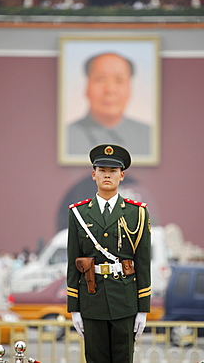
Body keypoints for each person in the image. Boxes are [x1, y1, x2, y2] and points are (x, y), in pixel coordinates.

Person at [67, 144, 151, 363]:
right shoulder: (78, 212)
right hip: (91, 301)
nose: (107, 175)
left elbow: (143, 263)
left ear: (122, 175)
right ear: (93, 174)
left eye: (113, 171)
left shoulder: (138, 213)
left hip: (125, 301)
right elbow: (72, 262)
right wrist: (74, 308)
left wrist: (143, 309)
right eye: (102, 170)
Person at [67, 53, 151, 156]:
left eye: (119, 81)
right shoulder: (66, 136)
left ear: (130, 88)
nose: (110, 89)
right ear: (87, 86)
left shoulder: (149, 136)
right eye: (100, 79)